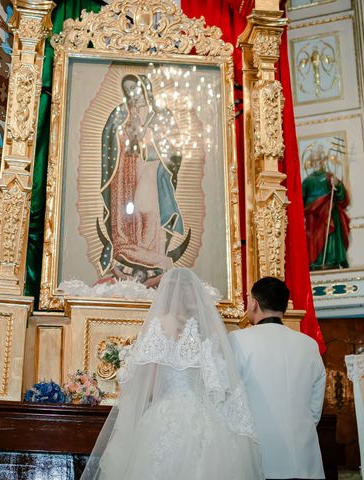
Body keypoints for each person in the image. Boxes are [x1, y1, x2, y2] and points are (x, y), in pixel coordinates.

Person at [81, 268, 263, 480]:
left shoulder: (161, 324)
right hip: (202, 417)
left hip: (165, 415)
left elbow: (148, 386)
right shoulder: (208, 329)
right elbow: (218, 382)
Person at [228, 277, 326, 480]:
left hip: (261, 455)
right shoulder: (309, 345)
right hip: (304, 454)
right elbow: (315, 407)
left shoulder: (237, 340)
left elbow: (229, 398)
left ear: (254, 303)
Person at [97, 74, 187, 287]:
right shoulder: (121, 114)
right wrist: (127, 132)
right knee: (129, 217)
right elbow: (111, 140)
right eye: (128, 91)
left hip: (150, 171)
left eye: (135, 89)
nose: (132, 95)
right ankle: (137, 256)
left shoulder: (161, 115)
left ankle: (154, 259)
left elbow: (173, 149)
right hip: (125, 174)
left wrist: (145, 135)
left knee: (148, 213)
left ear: (145, 88)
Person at [302, 144, 350, 270]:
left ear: (323, 161)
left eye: (319, 160)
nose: (316, 162)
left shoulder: (329, 177)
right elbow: (300, 200)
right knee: (313, 238)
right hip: (312, 215)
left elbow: (341, 197)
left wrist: (337, 185)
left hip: (327, 212)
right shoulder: (307, 181)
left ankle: (330, 260)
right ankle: (315, 262)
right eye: (314, 160)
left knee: (329, 235)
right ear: (311, 163)